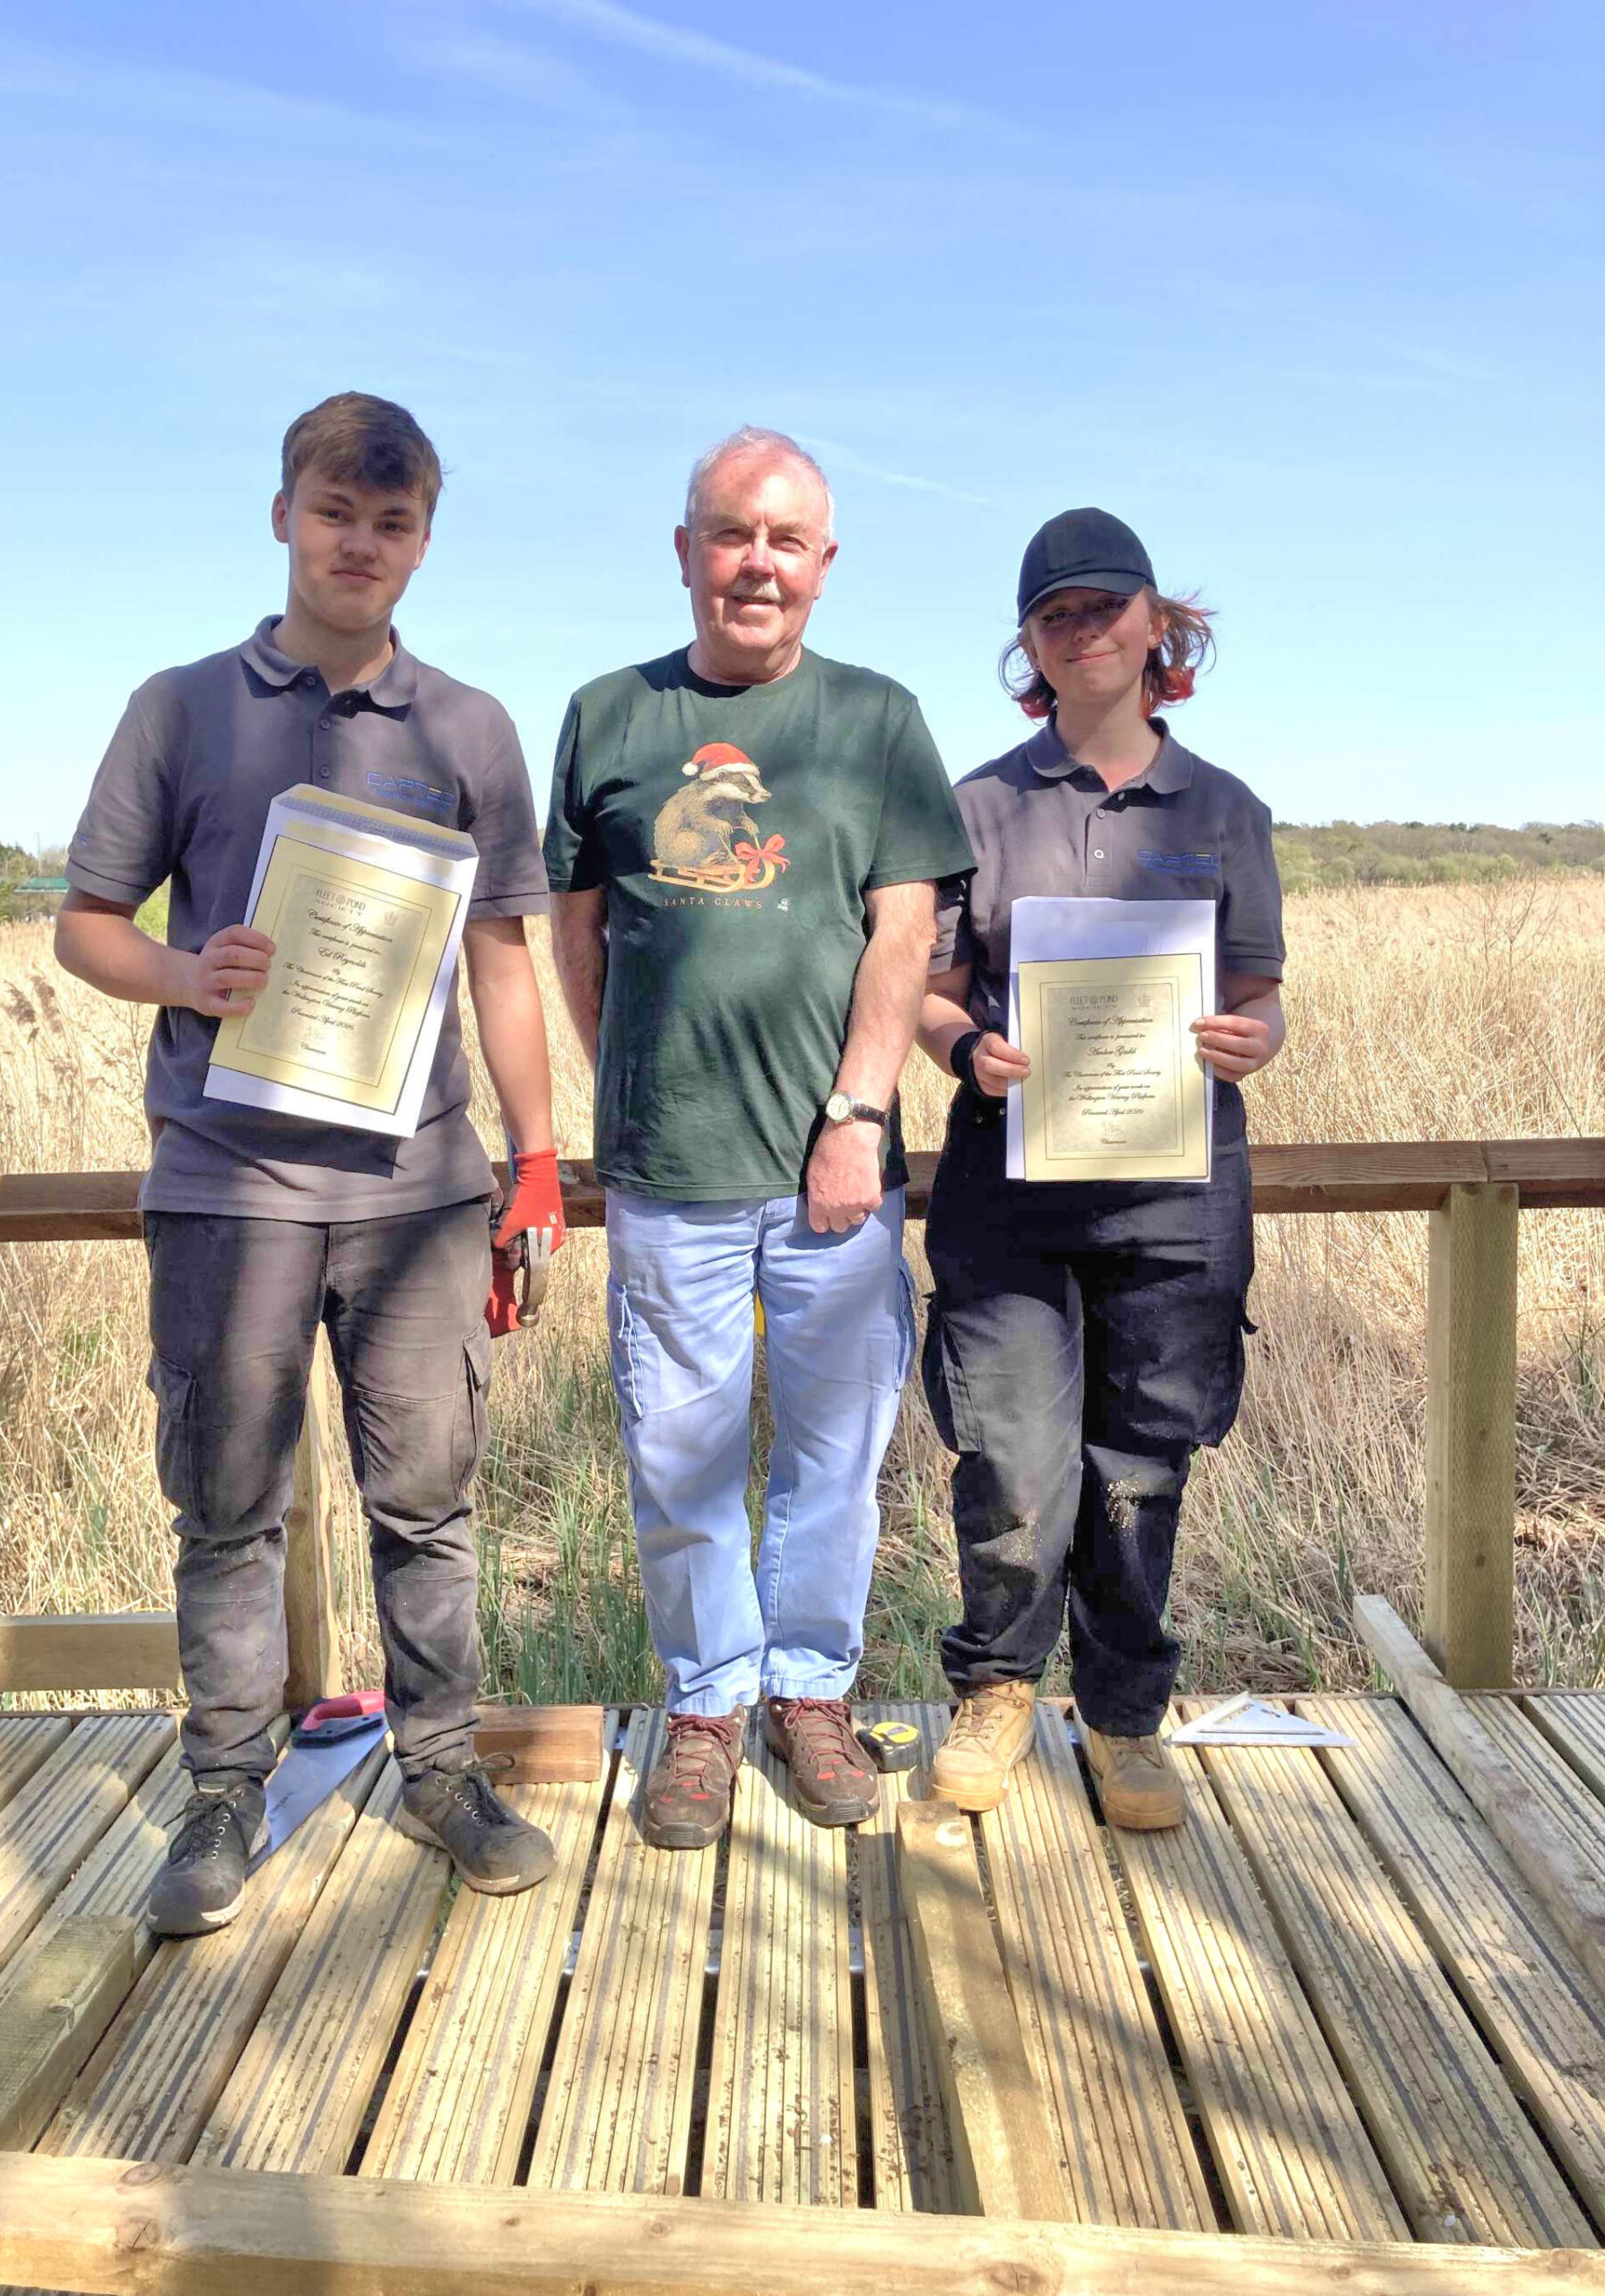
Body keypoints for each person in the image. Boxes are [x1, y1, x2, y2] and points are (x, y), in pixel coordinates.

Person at [56, 392, 567, 1932]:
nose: (362, 543)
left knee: (431, 1501)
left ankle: (438, 1770)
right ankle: (222, 1791)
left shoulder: (470, 727)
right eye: (337, 512)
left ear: (424, 541)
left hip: (421, 1190)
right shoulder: (182, 707)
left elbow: (499, 957)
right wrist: (184, 978)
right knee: (226, 1502)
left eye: (394, 522)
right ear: (284, 514)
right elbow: (85, 926)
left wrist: (535, 1161)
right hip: (226, 1181)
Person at [544, 427, 974, 1849]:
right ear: (685, 551)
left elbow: (903, 928)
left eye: (787, 541)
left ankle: (812, 1693)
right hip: (670, 1174)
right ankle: (709, 1707)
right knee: (679, 1454)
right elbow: (581, 930)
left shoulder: (879, 720)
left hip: (835, 1178)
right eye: (733, 533)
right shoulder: (608, 716)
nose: (758, 563)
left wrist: (855, 1114)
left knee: (833, 1459)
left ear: (826, 565)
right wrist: (634, 1087)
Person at [915, 508, 1285, 1827]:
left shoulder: (1223, 809)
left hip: (1175, 1192)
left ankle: (1125, 1717)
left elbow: (1261, 994)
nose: (1083, 631)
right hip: (1005, 1193)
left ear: (1155, 625)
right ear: (1028, 643)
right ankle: (997, 1692)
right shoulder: (976, 803)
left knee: (1142, 1465)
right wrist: (969, 1052)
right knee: (1011, 1458)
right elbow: (933, 991)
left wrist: (1254, 1038)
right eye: (1054, 614)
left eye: (1105, 608)